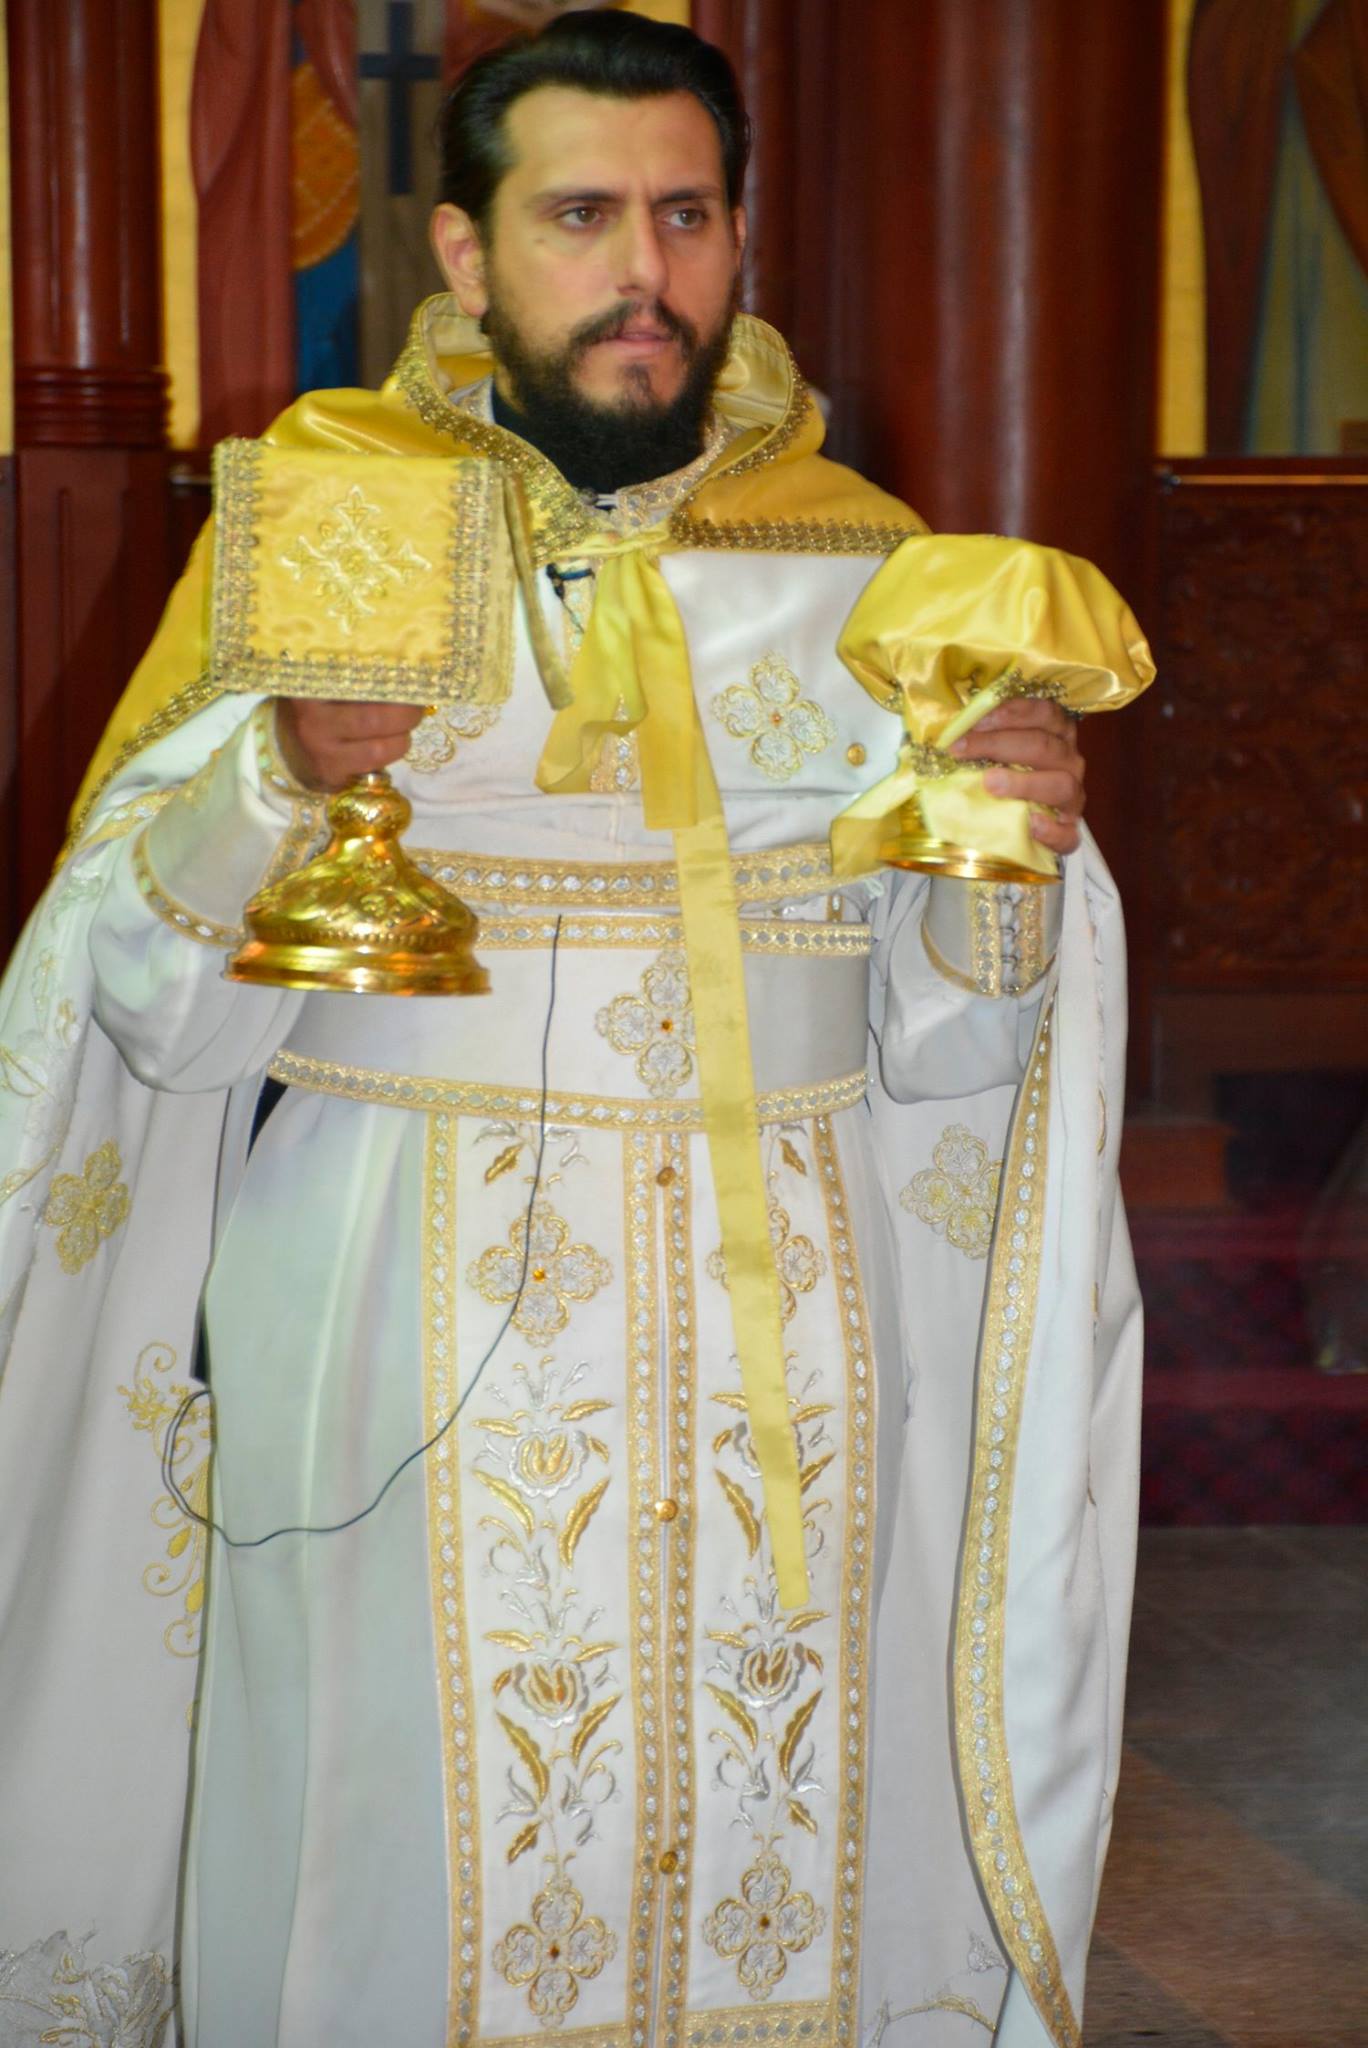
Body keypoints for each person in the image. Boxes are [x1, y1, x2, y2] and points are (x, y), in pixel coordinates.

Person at [0, 15, 1146, 2047]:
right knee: (384, 1846)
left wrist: (1010, 846)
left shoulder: (877, 566)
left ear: (740, 236)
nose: (644, 272)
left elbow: (956, 1062)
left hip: (790, 1328)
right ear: (464, 251)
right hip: (389, 1295)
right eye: (582, 215)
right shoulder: (331, 524)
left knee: (774, 1811)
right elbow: (151, 1020)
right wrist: (274, 772)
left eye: (687, 216)